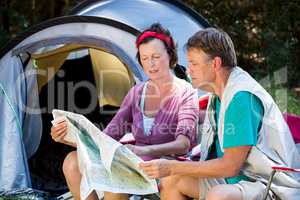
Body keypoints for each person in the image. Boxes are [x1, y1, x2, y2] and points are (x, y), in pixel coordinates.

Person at [139, 28, 300, 200]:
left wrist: (172, 166)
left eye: (194, 64)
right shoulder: (218, 96)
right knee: (171, 181)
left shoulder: (241, 98)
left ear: (215, 64)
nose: (188, 70)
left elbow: (230, 166)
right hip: (236, 180)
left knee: (219, 195)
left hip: (267, 184)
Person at [50, 23, 198, 200]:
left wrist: (145, 151)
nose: (151, 64)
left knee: (115, 171)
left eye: (156, 56)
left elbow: (184, 144)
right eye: (144, 58)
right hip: (134, 165)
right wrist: (68, 137)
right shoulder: (136, 93)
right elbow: (107, 138)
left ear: (170, 55)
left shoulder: (185, 91)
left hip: (165, 167)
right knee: (72, 161)